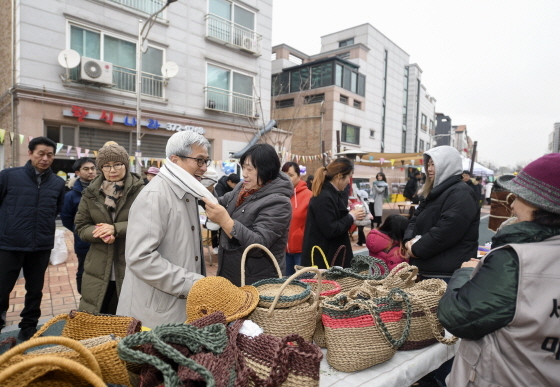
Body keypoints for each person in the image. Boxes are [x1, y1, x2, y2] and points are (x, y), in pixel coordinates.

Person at [438, 153, 560, 387]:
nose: (512, 204)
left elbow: (457, 315)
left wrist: (466, 273)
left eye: (519, 197)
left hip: (500, 377)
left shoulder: (515, 260)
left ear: (541, 204)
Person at [117, 132, 212, 328]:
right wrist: (194, 284)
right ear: (175, 160)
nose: (204, 168)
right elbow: (140, 258)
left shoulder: (188, 191)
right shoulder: (155, 195)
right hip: (155, 310)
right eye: (199, 161)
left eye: (206, 161)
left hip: (177, 303)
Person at [404, 146, 479, 387]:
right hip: (426, 272)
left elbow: (445, 232)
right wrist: (408, 240)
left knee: (443, 338)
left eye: (433, 163)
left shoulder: (461, 193)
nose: (428, 168)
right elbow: (414, 220)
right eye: (427, 163)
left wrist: (416, 248)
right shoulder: (433, 192)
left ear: (447, 165)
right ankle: (427, 379)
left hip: (446, 276)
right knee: (425, 334)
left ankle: (441, 381)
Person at [0, 137, 65, 340]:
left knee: (35, 290)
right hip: (9, 243)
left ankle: (28, 326)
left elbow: (58, 210)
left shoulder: (58, 183)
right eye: (41, 153)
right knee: (2, 288)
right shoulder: (8, 176)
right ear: (30, 153)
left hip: (41, 245)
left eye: (50, 155)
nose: (45, 158)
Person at [203, 143, 293, 286]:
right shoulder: (242, 187)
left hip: (258, 282)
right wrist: (205, 189)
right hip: (231, 272)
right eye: (243, 167)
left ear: (266, 171)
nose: (244, 173)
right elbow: (221, 202)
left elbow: (259, 245)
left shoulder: (279, 202)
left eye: (249, 169)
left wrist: (226, 222)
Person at [75, 142, 144, 314]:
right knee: (98, 313)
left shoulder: (141, 191)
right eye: (106, 166)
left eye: (117, 165)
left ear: (126, 165)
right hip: (99, 262)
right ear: (101, 168)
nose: (112, 170)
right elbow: (82, 226)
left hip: (131, 260)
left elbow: (150, 224)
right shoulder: (91, 192)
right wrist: (100, 233)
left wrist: (115, 229)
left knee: (130, 317)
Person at [301, 158, 365, 269]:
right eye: (348, 177)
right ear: (339, 176)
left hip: (329, 258)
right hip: (325, 260)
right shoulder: (324, 196)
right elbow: (331, 229)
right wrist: (351, 216)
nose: (349, 181)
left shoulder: (331, 193)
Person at [60, 157, 97, 294]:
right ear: (77, 172)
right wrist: (81, 231)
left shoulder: (106, 190)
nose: (91, 172)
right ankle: (83, 297)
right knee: (83, 270)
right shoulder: (71, 195)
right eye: (86, 169)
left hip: (105, 239)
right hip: (83, 241)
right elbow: (66, 219)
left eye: (93, 168)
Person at [281, 161, 312, 276]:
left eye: (290, 175)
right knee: (288, 284)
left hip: (302, 250)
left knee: (304, 282)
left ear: (299, 175)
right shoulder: (281, 195)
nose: (287, 178)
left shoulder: (309, 195)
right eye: (284, 175)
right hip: (284, 249)